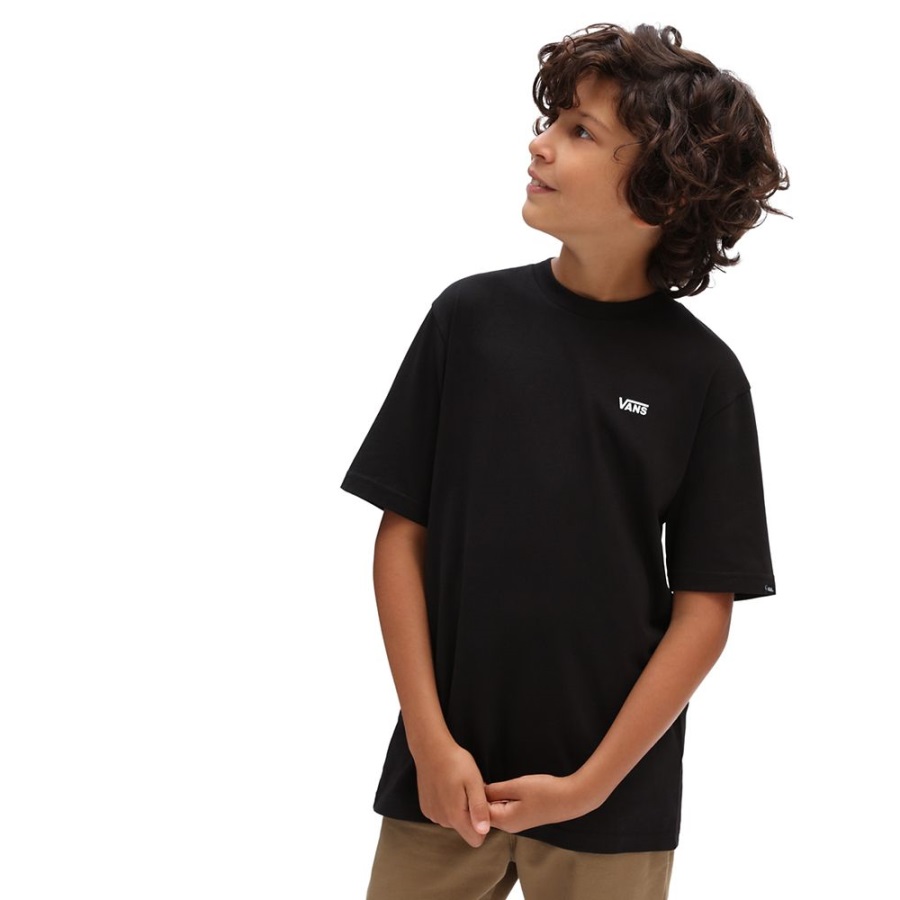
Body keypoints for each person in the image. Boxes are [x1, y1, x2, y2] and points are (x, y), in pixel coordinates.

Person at [339, 21, 788, 900]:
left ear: (663, 188)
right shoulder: (468, 321)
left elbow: (705, 610)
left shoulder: (705, 378)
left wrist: (591, 785)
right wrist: (429, 742)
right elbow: (401, 537)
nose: (540, 144)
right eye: (552, 120)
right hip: (443, 784)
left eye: (580, 131)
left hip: (613, 800)